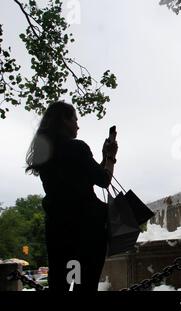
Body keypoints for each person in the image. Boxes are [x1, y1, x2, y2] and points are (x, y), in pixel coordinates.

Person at [25, 101, 118, 292]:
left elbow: (81, 178)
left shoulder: (44, 154)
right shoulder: (77, 148)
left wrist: (101, 159)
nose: (77, 124)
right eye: (75, 119)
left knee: (62, 284)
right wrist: (110, 157)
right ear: (64, 120)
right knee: (84, 286)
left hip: (59, 230)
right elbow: (103, 179)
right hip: (86, 230)